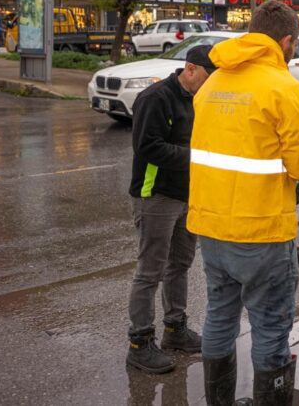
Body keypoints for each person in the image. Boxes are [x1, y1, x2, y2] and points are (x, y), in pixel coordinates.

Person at [188, 1, 299, 406]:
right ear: (287, 41)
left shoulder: (213, 84)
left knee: (219, 315)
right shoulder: (284, 89)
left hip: (211, 227)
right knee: (270, 326)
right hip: (262, 232)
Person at [125, 44, 217, 374]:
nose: (212, 84)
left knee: (180, 264)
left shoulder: (200, 99)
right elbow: (148, 147)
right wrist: (197, 157)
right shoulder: (155, 98)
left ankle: (175, 329)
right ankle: (139, 342)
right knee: (150, 271)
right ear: (190, 69)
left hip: (187, 196)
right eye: (209, 76)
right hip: (156, 195)